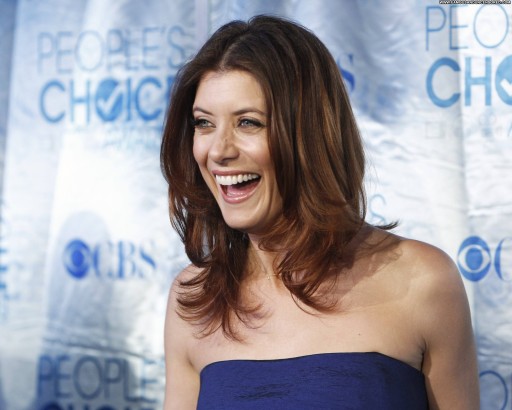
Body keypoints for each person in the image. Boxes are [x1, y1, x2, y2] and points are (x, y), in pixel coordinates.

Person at [160, 15, 479, 410]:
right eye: (204, 123)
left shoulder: (424, 281)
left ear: (310, 133)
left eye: (248, 122)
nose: (218, 151)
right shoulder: (194, 298)